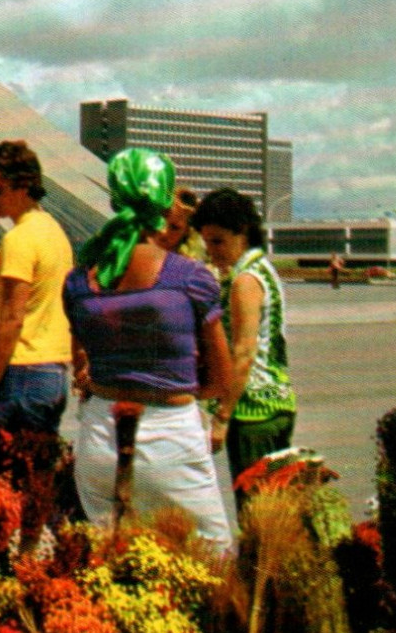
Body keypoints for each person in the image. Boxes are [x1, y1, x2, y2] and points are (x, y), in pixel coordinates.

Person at [63, 149, 232, 549]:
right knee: (213, 560)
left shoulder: (79, 281)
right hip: (168, 435)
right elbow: (220, 379)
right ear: (163, 201)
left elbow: (83, 361)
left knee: (112, 564)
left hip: (99, 437)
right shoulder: (190, 278)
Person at [192, 188, 295, 507]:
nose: (211, 251)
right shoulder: (264, 269)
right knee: (276, 509)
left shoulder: (244, 281)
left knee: (255, 513)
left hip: (252, 413)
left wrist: (222, 416)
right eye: (207, 242)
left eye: (219, 241)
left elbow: (244, 353)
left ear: (243, 232)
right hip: (277, 403)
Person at [0, 140, 75, 435]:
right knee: (37, 475)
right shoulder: (55, 232)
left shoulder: (19, 238)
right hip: (52, 372)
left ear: (23, 185)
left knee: (7, 477)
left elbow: (13, 317)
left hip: (22, 372)